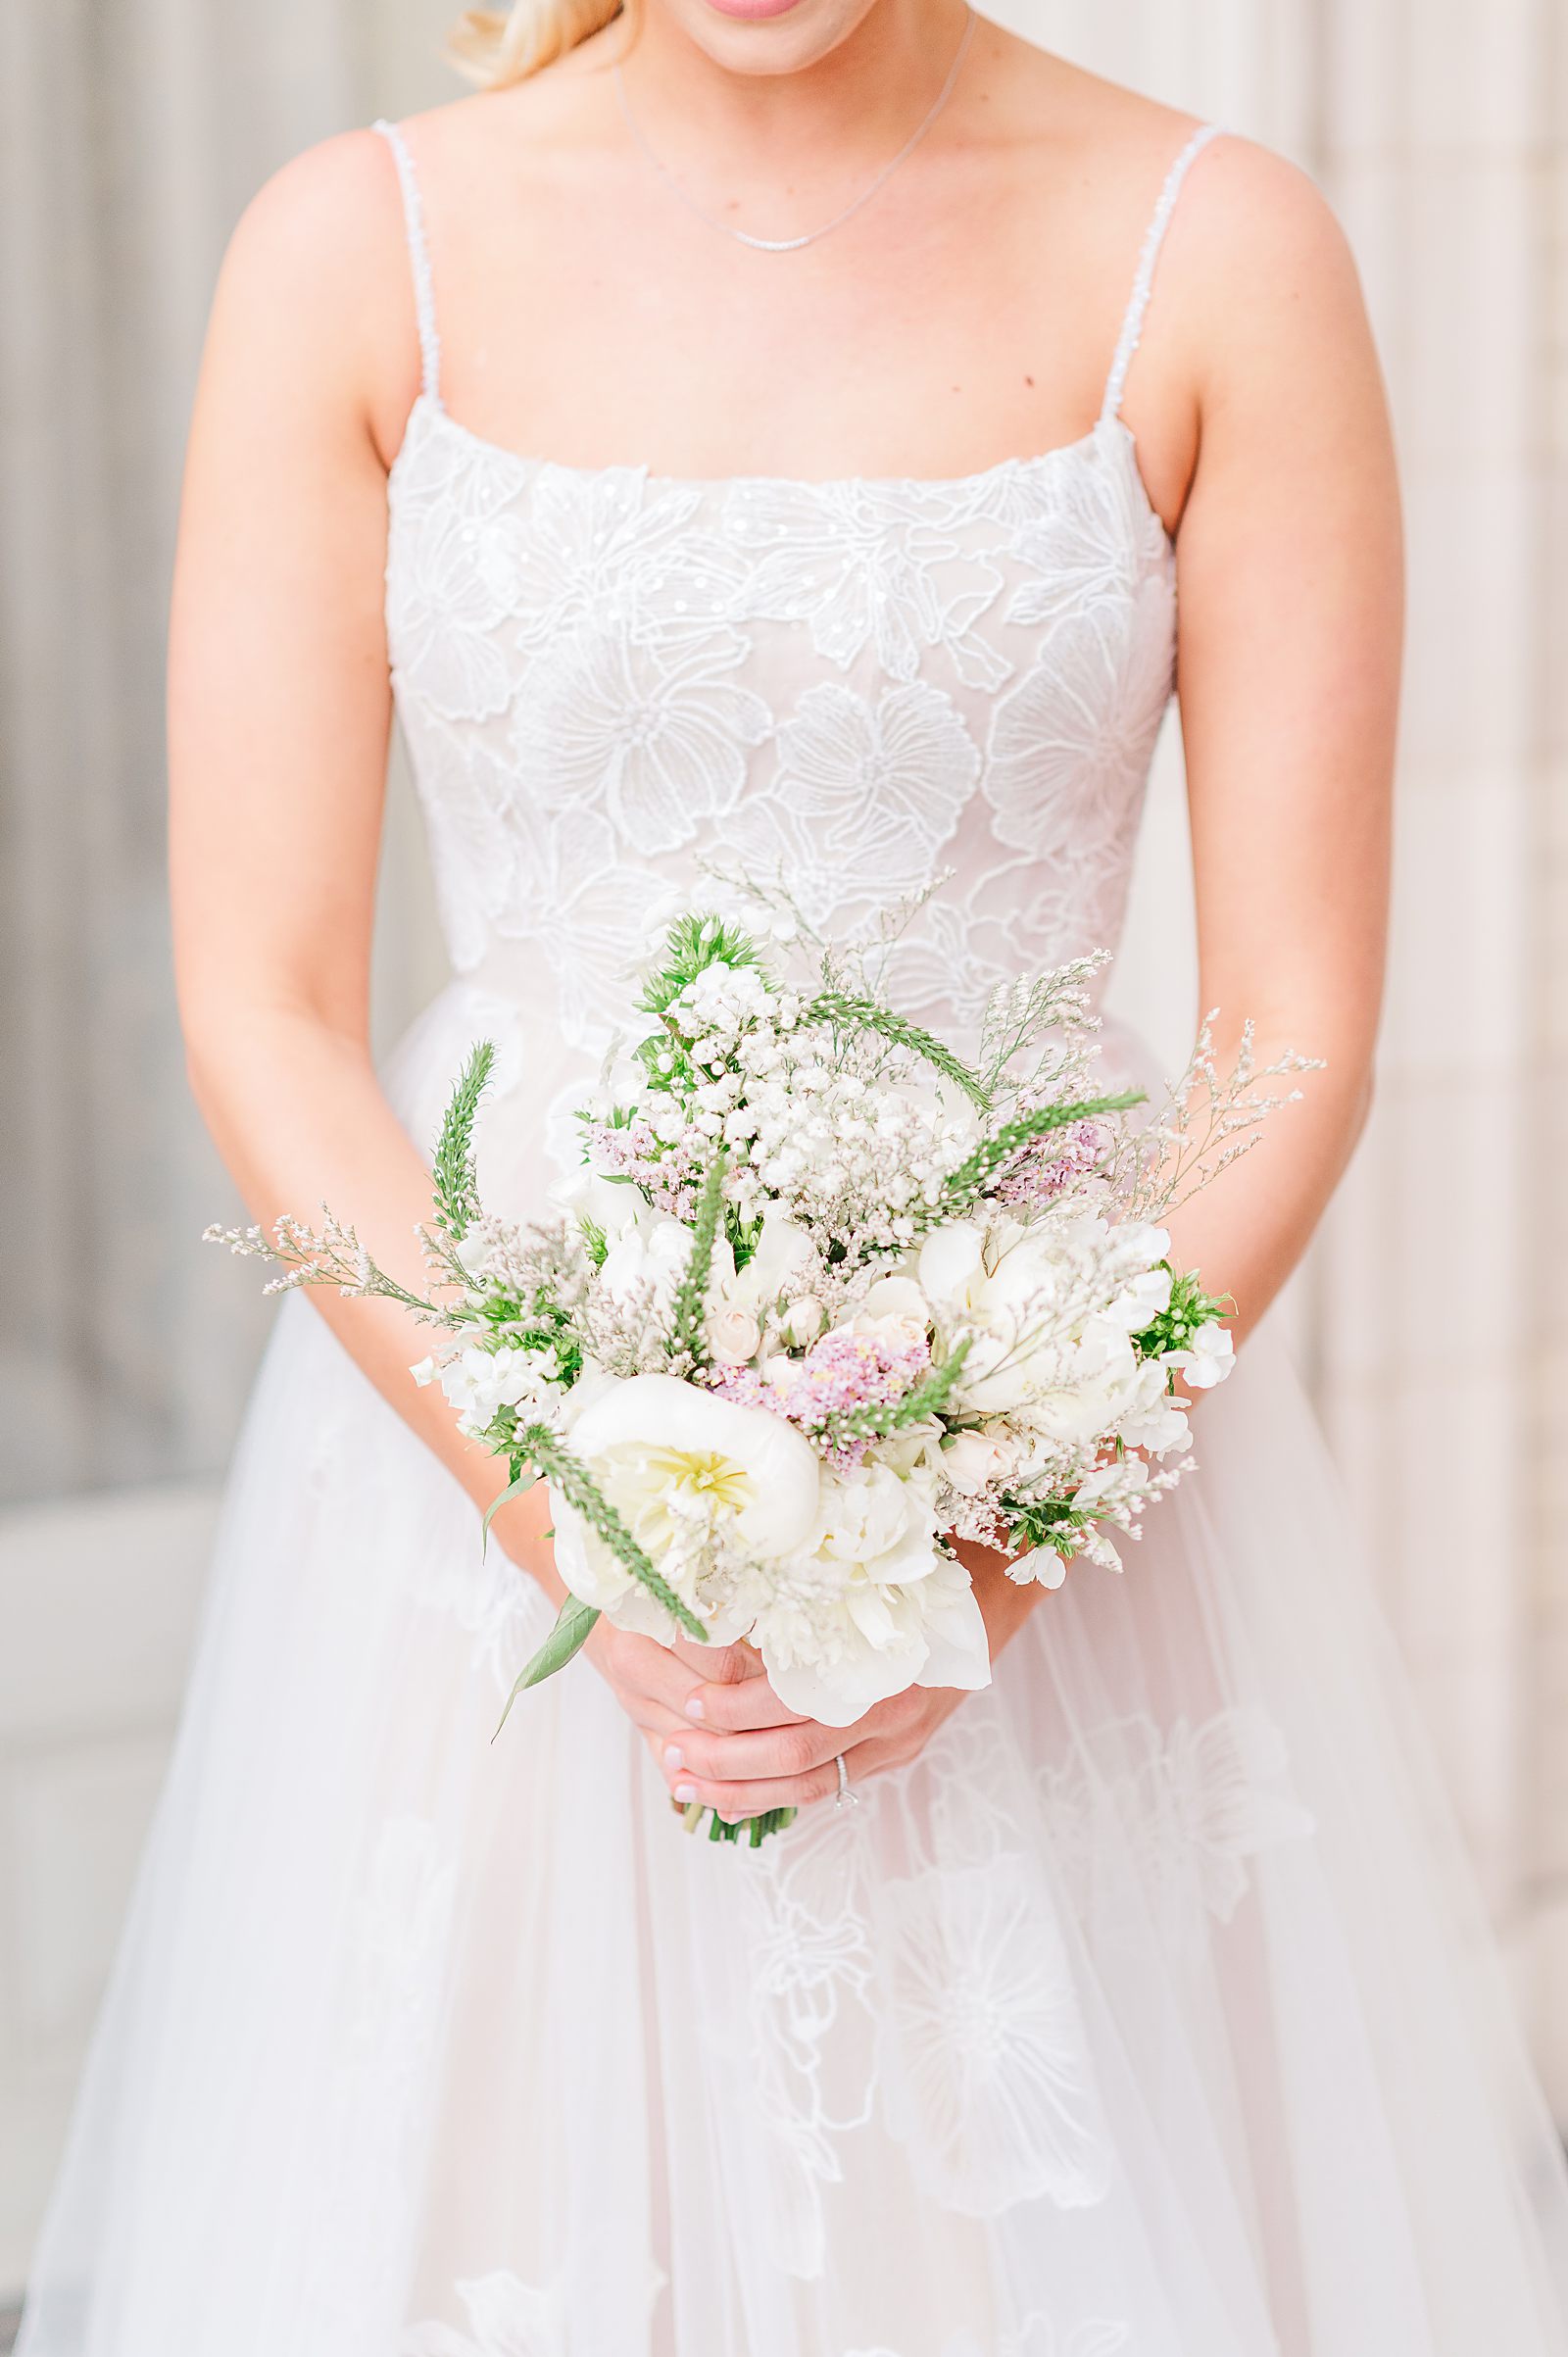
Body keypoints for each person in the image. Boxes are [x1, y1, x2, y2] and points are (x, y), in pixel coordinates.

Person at [21, 0, 1568, 2349]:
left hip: (1046, 1454)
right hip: (476, 1472)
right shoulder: (359, 251)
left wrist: (986, 1545)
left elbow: (1289, 1034)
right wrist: (558, 1499)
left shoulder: (1215, 252)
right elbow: (260, 996)